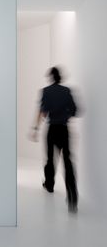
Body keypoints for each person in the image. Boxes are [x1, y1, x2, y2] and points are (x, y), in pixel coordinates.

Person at [32, 67, 78, 213]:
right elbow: (75, 110)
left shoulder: (46, 91)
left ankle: (50, 185)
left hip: (52, 130)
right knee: (68, 162)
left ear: (51, 77)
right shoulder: (67, 91)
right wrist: (65, 116)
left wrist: (35, 129)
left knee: (50, 159)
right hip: (64, 130)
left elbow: (42, 112)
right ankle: (72, 198)